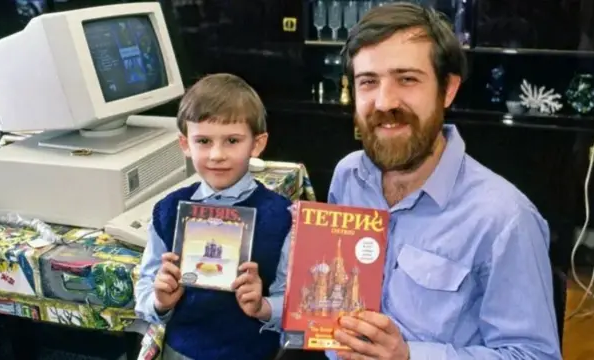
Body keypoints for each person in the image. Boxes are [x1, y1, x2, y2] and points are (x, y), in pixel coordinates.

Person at [273, 3, 561, 360]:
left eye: (407, 79)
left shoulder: (504, 219)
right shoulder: (348, 175)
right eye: (368, 82)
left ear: (448, 89)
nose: (385, 101)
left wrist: (409, 356)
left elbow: (535, 355)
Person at [134, 73, 291, 360]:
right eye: (203, 141)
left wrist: (262, 306)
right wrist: (160, 301)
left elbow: (292, 304)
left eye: (232, 140)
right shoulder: (168, 212)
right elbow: (145, 288)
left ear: (257, 144)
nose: (217, 154)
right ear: (185, 145)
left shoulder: (283, 217)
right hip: (179, 352)